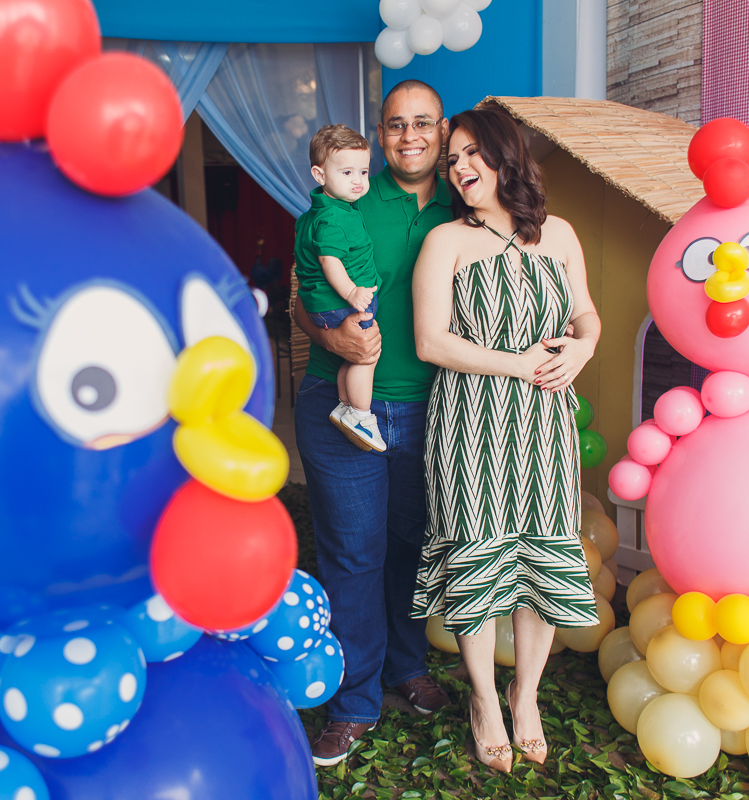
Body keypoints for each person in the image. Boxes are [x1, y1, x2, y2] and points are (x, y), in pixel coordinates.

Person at [410, 105, 602, 773]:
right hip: (470, 421)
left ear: (505, 156)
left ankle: (526, 697)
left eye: (471, 154)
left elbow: (586, 315)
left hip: (546, 422)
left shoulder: (561, 235)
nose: (460, 168)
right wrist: (519, 363)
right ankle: (485, 702)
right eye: (452, 159)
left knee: (541, 562)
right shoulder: (446, 242)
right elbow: (431, 341)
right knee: (480, 559)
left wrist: (582, 350)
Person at [293, 80, 454, 766]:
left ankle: (406, 668)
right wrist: (333, 341)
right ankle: (355, 700)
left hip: (433, 410)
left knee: (414, 543)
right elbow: (302, 301)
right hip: (342, 404)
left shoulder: (470, 203)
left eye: (423, 123)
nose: (409, 135)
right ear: (379, 135)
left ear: (443, 132)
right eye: (395, 124)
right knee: (354, 553)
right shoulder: (349, 194)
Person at [294, 124, 385, 452]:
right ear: (320, 175)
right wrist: (350, 293)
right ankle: (360, 414)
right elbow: (329, 261)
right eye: (347, 172)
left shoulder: (320, 211)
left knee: (353, 356)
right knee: (366, 355)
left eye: (364, 170)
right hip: (341, 301)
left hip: (323, 302)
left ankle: (346, 406)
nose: (359, 180)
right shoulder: (334, 218)